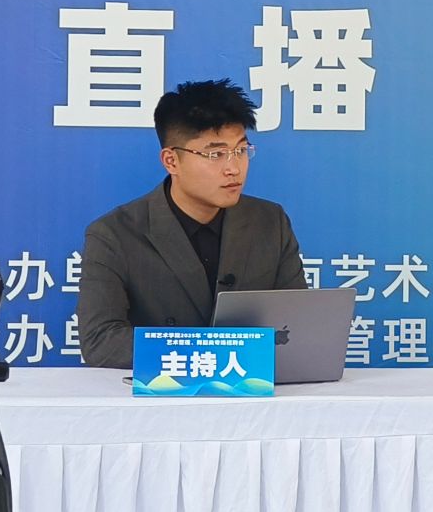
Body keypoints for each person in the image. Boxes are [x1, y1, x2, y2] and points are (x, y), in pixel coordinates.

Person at [78, 78, 308, 369]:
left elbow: (298, 324)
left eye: (240, 150)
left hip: (252, 389)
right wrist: (210, 356)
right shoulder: (114, 234)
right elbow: (100, 340)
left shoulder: (270, 222)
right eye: (215, 154)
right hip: (161, 391)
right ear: (171, 161)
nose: (233, 168)